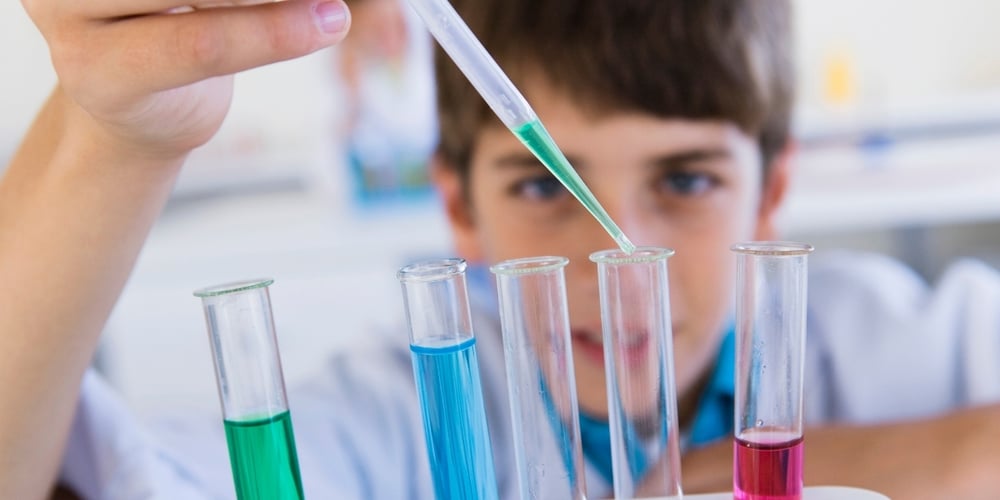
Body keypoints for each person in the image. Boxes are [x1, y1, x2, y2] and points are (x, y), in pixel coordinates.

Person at [3, 1, 1000, 499]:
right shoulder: (399, 414)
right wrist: (114, 135)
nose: (622, 253)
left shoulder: (888, 337)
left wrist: (755, 469)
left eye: (686, 178)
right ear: (460, 209)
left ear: (772, 193)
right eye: (541, 184)